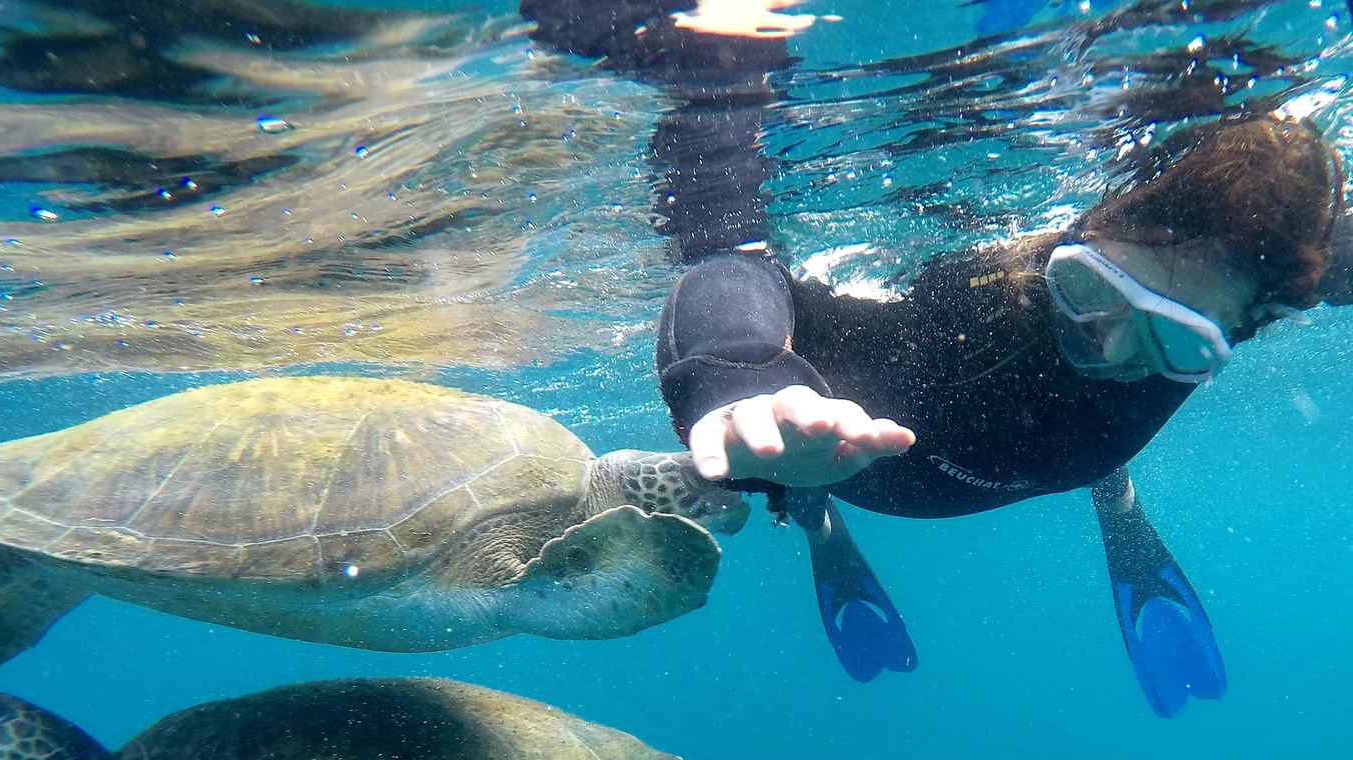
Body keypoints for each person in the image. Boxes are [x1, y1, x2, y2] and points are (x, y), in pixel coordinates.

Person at [524, 1, 1352, 717]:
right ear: (1082, 232)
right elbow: (734, 263)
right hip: (848, 463)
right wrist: (742, 374)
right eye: (1090, 291)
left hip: (1069, 460)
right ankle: (813, 511)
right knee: (797, 463)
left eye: (1179, 343)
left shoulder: (1273, 271)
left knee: (1083, 447)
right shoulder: (946, 303)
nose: (1107, 346)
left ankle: (1113, 493)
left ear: (1252, 326)